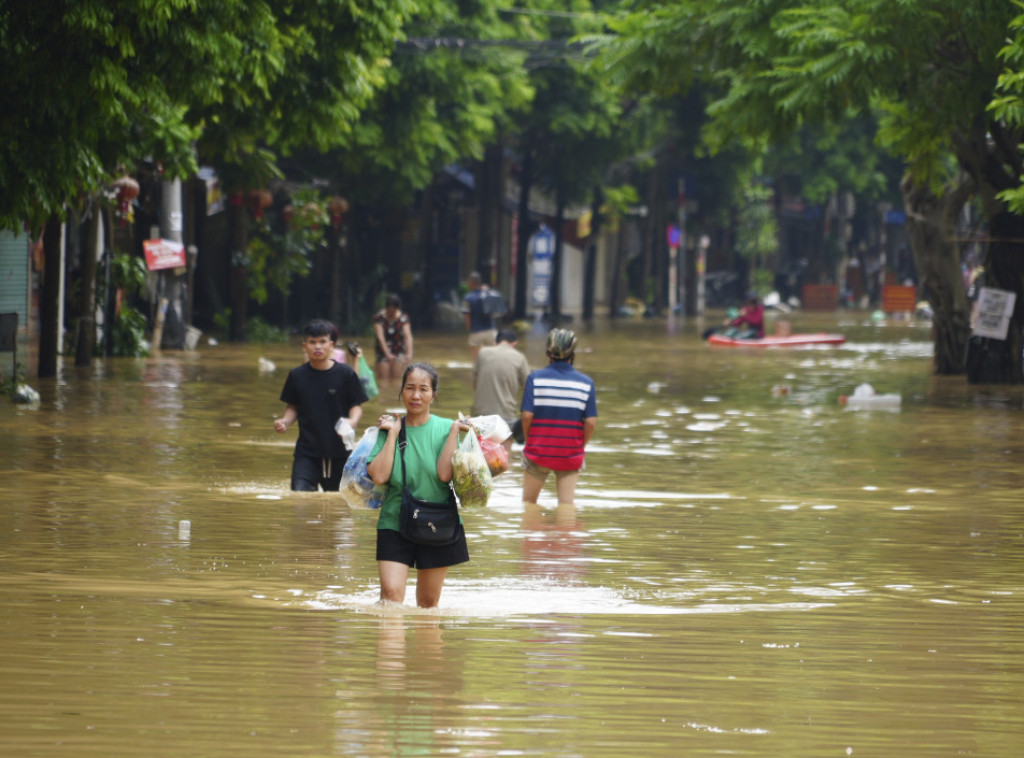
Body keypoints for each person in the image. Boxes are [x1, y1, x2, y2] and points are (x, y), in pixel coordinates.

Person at [367, 363, 472, 608]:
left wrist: (455, 432)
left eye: (423, 389)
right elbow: (379, 476)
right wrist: (392, 434)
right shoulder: (389, 428)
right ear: (401, 391)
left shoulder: (447, 428)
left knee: (428, 603)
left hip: (438, 522)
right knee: (390, 596)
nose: (416, 395)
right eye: (410, 388)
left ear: (433, 395)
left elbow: (444, 475)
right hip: (394, 520)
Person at [274, 319, 368, 491]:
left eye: (322, 341)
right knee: (299, 497)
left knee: (339, 502)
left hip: (340, 453)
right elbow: (293, 406)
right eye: (312, 342)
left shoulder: (346, 374)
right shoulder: (297, 375)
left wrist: (352, 421)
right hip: (306, 453)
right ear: (305, 346)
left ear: (331, 345)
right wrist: (285, 421)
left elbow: (356, 405)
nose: (318, 347)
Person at [520, 328, 597, 507]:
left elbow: (527, 415)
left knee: (528, 504)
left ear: (548, 353)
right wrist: (580, 446)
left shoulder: (535, 379)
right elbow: (591, 422)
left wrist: (529, 440)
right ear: (573, 353)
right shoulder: (586, 383)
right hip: (570, 454)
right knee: (566, 505)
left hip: (538, 451)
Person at [472, 328, 529, 447]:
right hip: (506, 414)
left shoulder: (482, 353)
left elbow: (475, 383)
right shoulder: (519, 357)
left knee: (479, 453)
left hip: (481, 415)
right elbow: (528, 389)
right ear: (514, 343)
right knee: (503, 456)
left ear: (495, 342)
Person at [373, 293, 413, 380]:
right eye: (389, 309)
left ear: (397, 308)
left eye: (393, 310)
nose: (391, 312)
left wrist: (409, 353)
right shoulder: (379, 318)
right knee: (383, 380)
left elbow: (408, 337)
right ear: (386, 308)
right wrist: (388, 354)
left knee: (398, 380)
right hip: (383, 351)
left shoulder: (403, 318)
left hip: (399, 350)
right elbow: (380, 338)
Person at [461, 271, 498, 357]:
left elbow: (467, 316)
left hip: (476, 332)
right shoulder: (488, 294)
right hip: (491, 331)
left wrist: (470, 330)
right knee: (493, 358)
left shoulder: (468, 298)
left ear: (471, 283)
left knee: (477, 360)